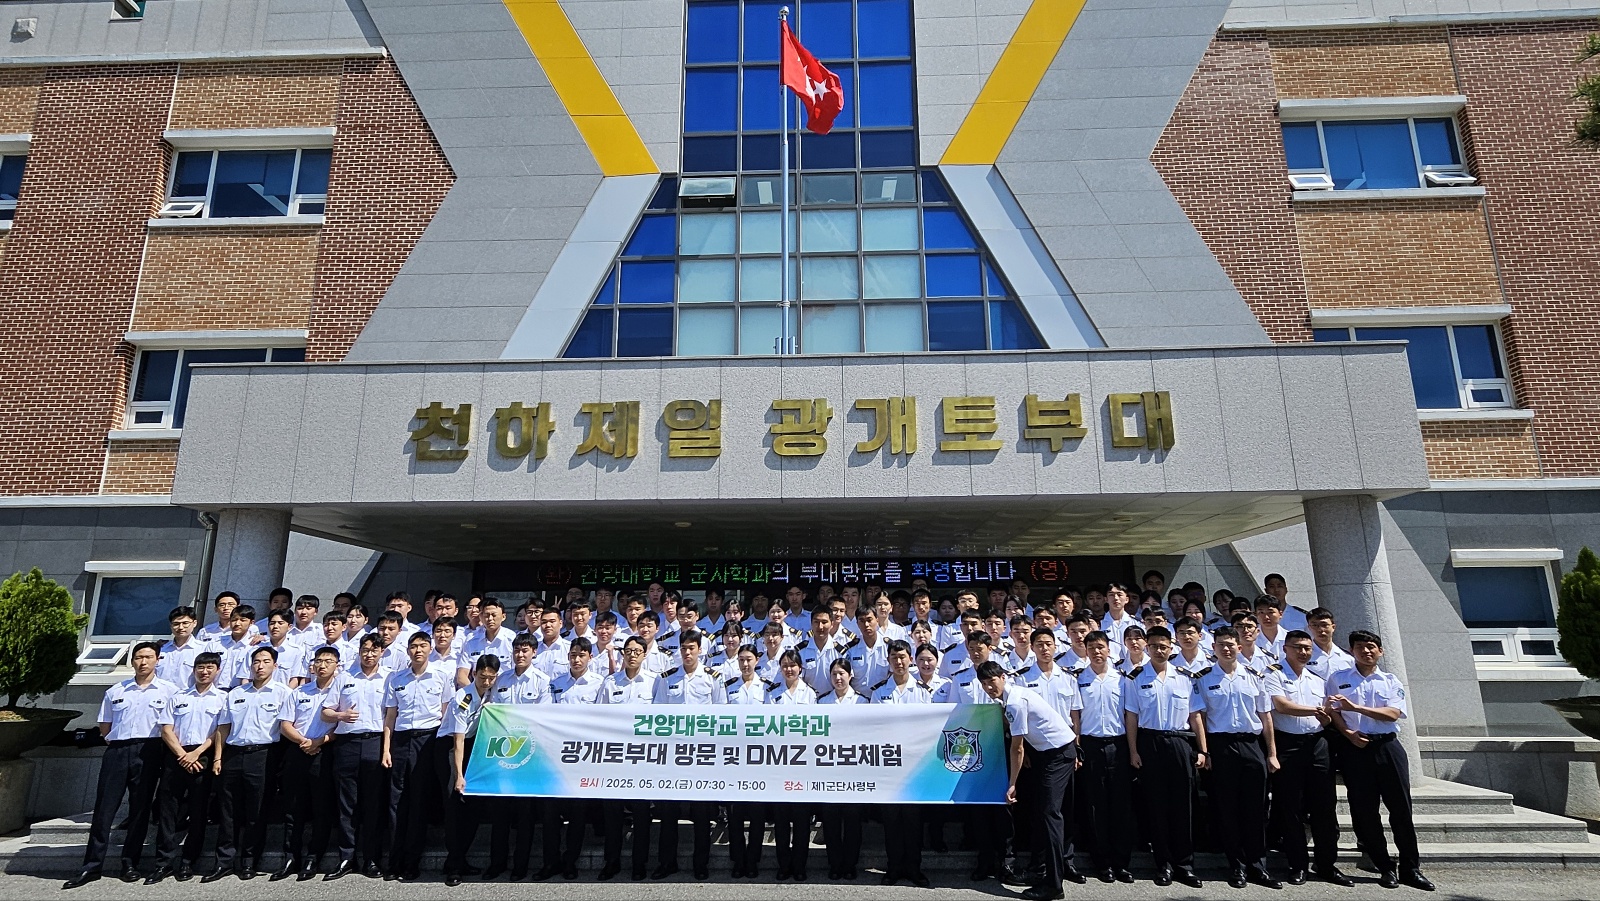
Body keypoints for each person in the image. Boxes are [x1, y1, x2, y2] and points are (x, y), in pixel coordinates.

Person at [1325, 630, 1434, 892]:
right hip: (1355, 748)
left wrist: (1357, 708)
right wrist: (1348, 733)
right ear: (1352, 651)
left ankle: (1411, 867)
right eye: (1360, 647)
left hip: (1387, 747)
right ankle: (1385, 867)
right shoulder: (1337, 679)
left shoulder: (1389, 680)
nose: (1366, 651)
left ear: (1380, 651)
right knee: (1365, 811)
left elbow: (1393, 713)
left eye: (1371, 647)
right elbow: (1333, 711)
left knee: (1400, 809)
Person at [66, 641, 175, 890]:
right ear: (132, 661)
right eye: (138, 657)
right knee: (104, 809)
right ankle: (92, 866)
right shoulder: (116, 690)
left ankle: (129, 863)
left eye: (148, 657)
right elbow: (105, 726)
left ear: (158, 660)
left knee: (140, 809)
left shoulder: (169, 691)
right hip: (117, 750)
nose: (143, 662)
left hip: (149, 750)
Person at [980, 660, 1076, 901]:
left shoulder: (1014, 701)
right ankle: (1039, 871)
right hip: (1046, 753)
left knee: (1050, 816)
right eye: (984, 684)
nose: (989, 687)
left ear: (1003, 677)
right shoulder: (1009, 698)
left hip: (1058, 754)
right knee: (1040, 813)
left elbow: (1017, 748)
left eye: (992, 681)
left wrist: (1012, 783)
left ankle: (1054, 885)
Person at [1193, 627, 1281, 889]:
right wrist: (1205, 751)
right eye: (1221, 644)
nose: (1227, 648)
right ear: (1214, 648)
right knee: (1227, 808)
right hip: (1221, 747)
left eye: (1231, 644)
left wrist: (1272, 753)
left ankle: (1258, 865)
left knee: (1255, 808)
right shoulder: (1203, 678)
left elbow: (1265, 717)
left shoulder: (1254, 676)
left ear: (1240, 648)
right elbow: (1201, 718)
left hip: (1251, 745)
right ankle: (1237, 866)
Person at [1267, 629, 1350, 887]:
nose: (1303, 652)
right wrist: (1318, 710)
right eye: (1297, 647)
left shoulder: (1317, 679)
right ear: (1285, 649)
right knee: (1290, 807)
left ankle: (1326, 864)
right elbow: (1281, 706)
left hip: (1317, 744)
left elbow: (1327, 713)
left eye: (1307, 647)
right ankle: (1297, 865)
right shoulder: (1274, 675)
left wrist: (1325, 717)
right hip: (1287, 744)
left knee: (1324, 806)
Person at [1122, 626, 1204, 888]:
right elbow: (1132, 717)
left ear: (1172, 648)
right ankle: (1164, 864)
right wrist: (1133, 750)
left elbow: (1195, 716)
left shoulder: (1184, 677)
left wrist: (1203, 749)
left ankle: (1184, 864)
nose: (1159, 650)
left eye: (1164, 646)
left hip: (1180, 742)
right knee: (1156, 806)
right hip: (1150, 742)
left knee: (1183, 806)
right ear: (1147, 647)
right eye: (1154, 645)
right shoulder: (1135, 678)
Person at [204, 646, 295, 882]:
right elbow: (223, 727)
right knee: (228, 810)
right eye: (256, 661)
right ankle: (224, 861)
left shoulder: (283, 693)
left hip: (264, 755)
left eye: (265, 661)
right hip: (233, 754)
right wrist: (218, 756)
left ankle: (249, 861)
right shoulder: (235, 693)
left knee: (257, 811)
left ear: (275, 666)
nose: (260, 665)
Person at [647, 630, 723, 880]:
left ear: (700, 649)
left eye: (692, 648)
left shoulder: (713, 678)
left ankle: (701, 864)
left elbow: (721, 717)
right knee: (668, 813)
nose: (687, 652)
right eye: (683, 648)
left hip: (701, 755)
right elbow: (657, 715)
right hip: (672, 754)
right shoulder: (667, 678)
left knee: (701, 815)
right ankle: (667, 862)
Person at [146, 650, 226, 884]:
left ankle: (188, 861)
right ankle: (163, 863)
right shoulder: (179, 697)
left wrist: (197, 754)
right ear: (194, 670)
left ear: (217, 671)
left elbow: (219, 731)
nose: (204, 671)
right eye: (200, 667)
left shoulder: (222, 698)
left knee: (198, 810)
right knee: (168, 811)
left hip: (203, 755)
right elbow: (166, 729)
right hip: (176, 755)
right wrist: (182, 754)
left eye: (210, 667)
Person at [382, 631, 447, 881]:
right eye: (413, 646)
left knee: (419, 802)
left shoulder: (440, 677)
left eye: (422, 646)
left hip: (427, 740)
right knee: (396, 802)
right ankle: (394, 860)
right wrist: (386, 749)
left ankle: (411, 862)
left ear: (430, 648)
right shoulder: (397, 678)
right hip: (399, 741)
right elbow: (390, 716)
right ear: (407, 650)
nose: (417, 650)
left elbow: (444, 714)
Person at [323, 633, 389, 879]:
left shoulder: (389, 678)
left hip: (375, 742)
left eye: (374, 650)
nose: (369, 654)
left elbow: (392, 715)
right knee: (346, 804)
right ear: (359, 651)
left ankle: (372, 858)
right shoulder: (344, 677)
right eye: (365, 649)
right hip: (347, 743)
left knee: (373, 804)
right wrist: (340, 716)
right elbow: (326, 711)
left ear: (381, 652)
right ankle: (346, 858)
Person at [486, 634, 552, 880]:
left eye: (525, 650)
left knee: (525, 814)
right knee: (500, 813)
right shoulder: (501, 679)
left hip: (530, 754)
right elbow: (492, 712)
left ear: (534, 652)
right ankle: (497, 863)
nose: (520, 654)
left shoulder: (542, 681)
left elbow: (542, 717)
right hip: (502, 754)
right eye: (516, 650)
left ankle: (520, 865)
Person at [1071, 631, 1134, 883]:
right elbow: (1075, 716)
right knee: (1095, 806)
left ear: (1109, 649)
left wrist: (1133, 749)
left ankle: (1122, 862)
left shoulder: (1122, 679)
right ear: (1085, 650)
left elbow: (1130, 716)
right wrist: (1077, 746)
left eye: (1101, 647)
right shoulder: (1078, 680)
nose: (1097, 652)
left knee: (1121, 806)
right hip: (1091, 745)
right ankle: (1103, 863)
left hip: (1118, 746)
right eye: (1092, 648)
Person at [871, 639, 932, 888]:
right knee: (892, 820)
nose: (898, 662)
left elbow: (929, 727)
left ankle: (914, 868)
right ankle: (894, 867)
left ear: (910, 660)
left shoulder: (921, 691)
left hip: (914, 764)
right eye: (894, 657)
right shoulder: (879, 692)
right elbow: (874, 726)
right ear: (888, 661)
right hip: (888, 764)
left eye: (903, 657)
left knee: (913, 820)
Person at [279, 645, 340, 881]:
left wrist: (319, 742)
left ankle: (314, 857)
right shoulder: (299, 692)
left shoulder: (340, 693)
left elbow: (340, 726)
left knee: (321, 808)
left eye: (327, 661)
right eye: (318, 661)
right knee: (293, 808)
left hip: (324, 752)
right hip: (298, 750)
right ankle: (290, 857)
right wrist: (305, 741)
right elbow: (285, 724)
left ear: (337, 666)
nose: (322, 665)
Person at [547, 637, 607, 879]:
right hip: (556, 753)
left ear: (590, 657)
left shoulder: (599, 683)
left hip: (584, 755)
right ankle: (551, 862)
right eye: (573, 654)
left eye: (582, 655)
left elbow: (603, 718)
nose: (576, 659)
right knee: (551, 813)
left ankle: (570, 859)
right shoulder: (556, 683)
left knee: (578, 813)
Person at [599, 637, 657, 880]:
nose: (632, 655)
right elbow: (599, 717)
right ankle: (611, 862)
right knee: (612, 814)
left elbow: (661, 719)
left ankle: (639, 863)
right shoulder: (610, 682)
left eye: (637, 651)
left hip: (643, 757)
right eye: (628, 650)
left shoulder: (655, 683)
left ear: (645, 654)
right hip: (615, 756)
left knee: (642, 814)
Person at [442, 654, 502, 886]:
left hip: (473, 748)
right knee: (456, 805)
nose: (486, 682)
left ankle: (459, 858)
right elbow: (457, 740)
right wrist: (459, 775)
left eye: (491, 678)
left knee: (474, 808)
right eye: (482, 677)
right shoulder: (464, 697)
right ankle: (453, 867)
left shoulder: (490, 693)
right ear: (473, 674)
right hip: (449, 748)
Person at [767, 649, 817, 881]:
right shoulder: (772, 694)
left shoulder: (810, 695)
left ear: (800, 668)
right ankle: (783, 865)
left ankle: (800, 865)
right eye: (785, 665)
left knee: (801, 819)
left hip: (802, 763)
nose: (789, 669)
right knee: (781, 819)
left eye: (793, 665)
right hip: (778, 762)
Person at [818, 658, 865, 880]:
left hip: (854, 769)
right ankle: (834, 863)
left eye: (842, 673)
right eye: (834, 674)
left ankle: (850, 864)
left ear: (850, 675)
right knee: (831, 820)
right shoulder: (822, 702)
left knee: (853, 820)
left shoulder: (862, 703)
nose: (838, 678)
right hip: (828, 769)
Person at [456, 598, 514, 687]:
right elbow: (462, 675)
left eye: (494, 615)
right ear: (481, 617)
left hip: (503, 692)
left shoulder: (511, 639)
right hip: (477, 693)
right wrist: (475, 693)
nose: (490, 619)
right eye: (486, 615)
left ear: (503, 617)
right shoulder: (471, 640)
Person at [156, 606, 209, 688]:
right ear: (171, 626)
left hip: (187, 697)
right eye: (176, 624)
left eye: (185, 623)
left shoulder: (204, 649)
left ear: (194, 623)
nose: (180, 627)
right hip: (160, 696)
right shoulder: (161, 649)